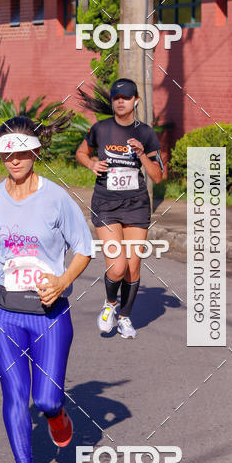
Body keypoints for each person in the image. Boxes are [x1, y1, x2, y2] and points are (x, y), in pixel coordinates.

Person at [0, 116, 92, 463]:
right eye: (7, 154)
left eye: (21, 153)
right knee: (15, 393)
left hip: (49, 312)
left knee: (46, 399)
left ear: (35, 153)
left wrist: (63, 281)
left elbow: (84, 249)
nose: (14, 160)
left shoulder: (57, 199)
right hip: (4, 310)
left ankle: (56, 414)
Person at [76, 78, 164, 339]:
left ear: (136, 100)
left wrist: (142, 154)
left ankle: (125, 317)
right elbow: (81, 153)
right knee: (117, 267)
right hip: (106, 203)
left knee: (133, 267)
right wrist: (91, 164)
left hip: (136, 205)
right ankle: (110, 304)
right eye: (117, 98)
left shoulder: (146, 133)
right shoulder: (100, 129)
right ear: (113, 101)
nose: (121, 102)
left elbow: (158, 176)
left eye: (126, 97)